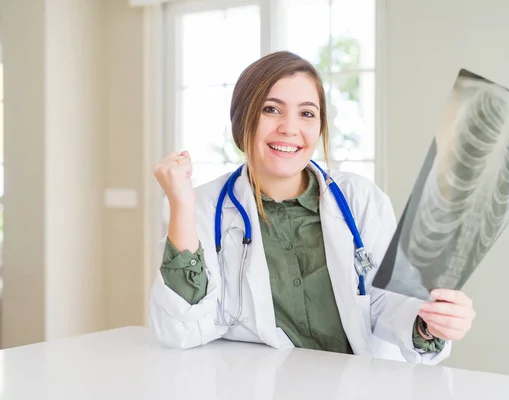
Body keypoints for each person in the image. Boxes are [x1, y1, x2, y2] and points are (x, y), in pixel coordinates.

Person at [150, 51, 476, 364]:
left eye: (307, 113)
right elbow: (179, 328)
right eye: (271, 109)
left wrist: (429, 323)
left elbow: (388, 303)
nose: (290, 128)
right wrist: (180, 203)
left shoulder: (360, 200)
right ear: (241, 120)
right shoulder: (206, 207)